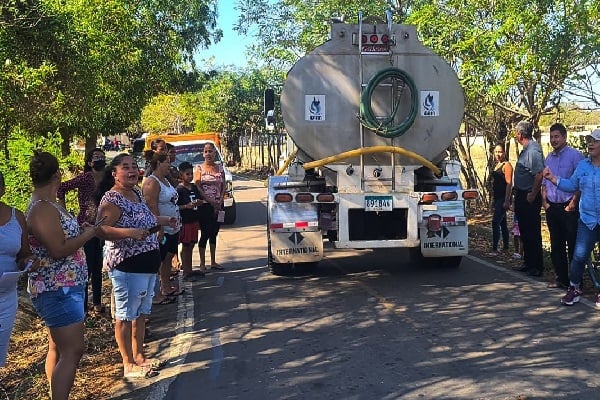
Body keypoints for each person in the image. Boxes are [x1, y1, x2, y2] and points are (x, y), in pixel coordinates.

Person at [25, 151, 100, 399]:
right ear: (57, 175)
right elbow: (57, 250)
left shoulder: (51, 204)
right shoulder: (42, 209)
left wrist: (81, 230)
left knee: (58, 347)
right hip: (57, 288)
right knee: (74, 350)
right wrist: (88, 235)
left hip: (66, 286)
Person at [95, 153, 176, 378]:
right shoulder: (112, 199)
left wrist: (165, 221)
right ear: (114, 173)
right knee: (125, 315)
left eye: (134, 166)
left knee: (141, 314)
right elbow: (100, 229)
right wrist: (129, 233)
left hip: (147, 264)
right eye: (125, 168)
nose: (132, 171)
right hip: (126, 266)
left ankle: (139, 356)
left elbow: (147, 220)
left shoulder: (136, 193)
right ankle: (128, 363)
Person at [543, 129, 600, 306]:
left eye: (594, 141)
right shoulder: (583, 165)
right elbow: (570, 185)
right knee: (579, 256)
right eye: (589, 140)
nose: (590, 143)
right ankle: (574, 289)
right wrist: (553, 179)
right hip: (587, 221)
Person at [57, 147, 107, 314]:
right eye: (96, 157)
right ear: (89, 162)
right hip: (85, 227)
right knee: (88, 267)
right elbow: (61, 188)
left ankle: (98, 303)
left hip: (104, 226)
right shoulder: (86, 178)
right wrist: (64, 213)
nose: (100, 159)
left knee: (98, 267)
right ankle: (84, 306)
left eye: (102, 156)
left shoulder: (108, 178)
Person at [0, 171, 38, 367]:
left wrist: (28, 261)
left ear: (2, 189)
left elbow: (23, 253)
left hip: (6, 297)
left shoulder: (17, 216)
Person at [541, 123, 584, 288]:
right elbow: (545, 183)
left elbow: (580, 183)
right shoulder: (549, 158)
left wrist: (573, 203)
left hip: (569, 207)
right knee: (556, 244)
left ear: (564, 137)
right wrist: (545, 203)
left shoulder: (575, 156)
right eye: (551, 137)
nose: (554, 140)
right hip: (552, 207)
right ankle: (561, 279)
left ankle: (575, 282)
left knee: (573, 245)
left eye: (556, 136)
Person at [141, 152, 183, 300]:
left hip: (173, 226)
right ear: (158, 163)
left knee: (169, 256)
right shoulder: (152, 182)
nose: (169, 165)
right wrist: (160, 227)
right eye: (166, 162)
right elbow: (152, 206)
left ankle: (165, 286)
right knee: (159, 258)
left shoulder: (166, 179)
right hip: (161, 228)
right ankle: (156, 293)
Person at [512, 121, 545, 277]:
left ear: (520, 134)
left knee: (532, 231)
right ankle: (528, 262)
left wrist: (532, 194)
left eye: (516, 133)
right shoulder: (525, 150)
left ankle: (537, 266)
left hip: (529, 196)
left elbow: (539, 174)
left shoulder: (533, 150)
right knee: (525, 231)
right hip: (521, 195)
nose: (516, 135)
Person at [194, 142, 226, 271]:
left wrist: (220, 199)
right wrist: (209, 200)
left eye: (211, 151)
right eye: (206, 151)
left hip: (218, 206)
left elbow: (224, 185)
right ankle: (202, 263)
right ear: (203, 154)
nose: (208, 154)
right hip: (205, 206)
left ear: (214, 153)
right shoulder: (199, 169)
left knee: (214, 233)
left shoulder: (220, 168)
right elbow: (198, 186)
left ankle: (213, 261)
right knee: (205, 233)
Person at [176, 162, 203, 281]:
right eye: (187, 174)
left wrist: (198, 202)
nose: (190, 176)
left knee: (192, 244)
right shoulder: (179, 190)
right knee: (186, 245)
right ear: (181, 175)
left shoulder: (194, 187)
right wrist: (186, 206)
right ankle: (186, 270)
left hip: (194, 220)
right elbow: (176, 207)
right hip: (185, 221)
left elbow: (200, 200)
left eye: (191, 174)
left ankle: (190, 269)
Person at [487, 144, 513, 256]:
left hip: (503, 198)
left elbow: (509, 184)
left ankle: (495, 248)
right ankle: (506, 248)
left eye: (500, 151)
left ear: (505, 152)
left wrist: (507, 200)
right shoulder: (497, 165)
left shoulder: (506, 165)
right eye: (496, 152)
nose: (498, 154)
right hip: (497, 198)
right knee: (503, 223)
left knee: (495, 222)